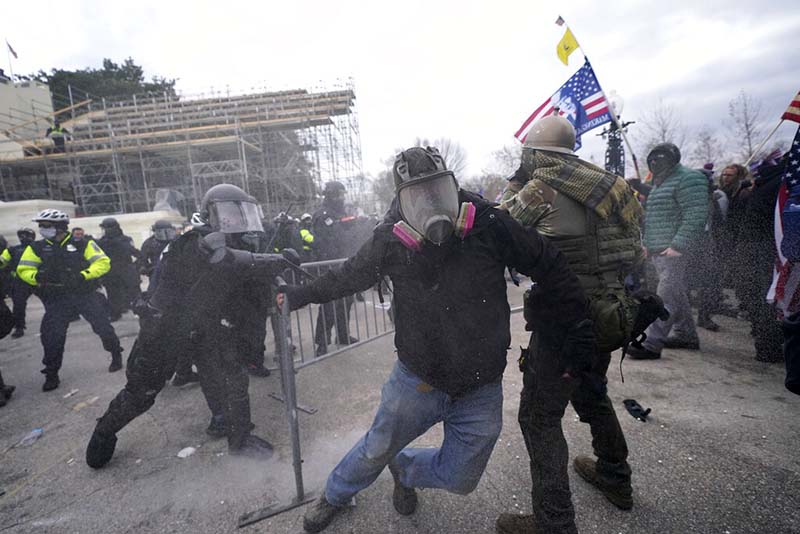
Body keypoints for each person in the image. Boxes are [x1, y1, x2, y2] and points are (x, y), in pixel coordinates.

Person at [278, 146, 591, 533]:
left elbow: (550, 262)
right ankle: (335, 495)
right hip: (417, 380)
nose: (431, 204)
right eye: (417, 195)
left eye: (437, 190)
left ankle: (405, 468)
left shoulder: (491, 225)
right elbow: (344, 279)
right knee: (376, 447)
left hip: (480, 387)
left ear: (454, 186)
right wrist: (295, 296)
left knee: (461, 478)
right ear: (400, 201)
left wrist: (575, 324)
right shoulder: (389, 240)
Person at [495, 116, 644, 534]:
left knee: (538, 417)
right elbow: (637, 252)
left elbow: (501, 232)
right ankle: (615, 476)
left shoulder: (541, 187)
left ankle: (553, 523)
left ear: (536, 154)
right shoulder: (613, 185)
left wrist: (512, 186)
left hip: (565, 317)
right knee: (591, 390)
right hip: (613, 312)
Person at [85, 184, 288, 468]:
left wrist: (279, 265)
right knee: (141, 394)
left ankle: (238, 439)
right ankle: (104, 432)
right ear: (210, 213)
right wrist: (269, 261)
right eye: (231, 212)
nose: (238, 220)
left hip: (203, 325)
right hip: (166, 329)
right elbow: (225, 262)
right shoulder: (196, 241)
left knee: (232, 378)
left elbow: (240, 281)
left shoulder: (232, 242)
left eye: (243, 213)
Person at [16, 209, 124, 391]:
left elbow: (102, 262)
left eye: (46, 225)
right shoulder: (36, 248)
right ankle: (51, 373)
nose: (42, 229)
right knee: (52, 336)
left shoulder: (82, 243)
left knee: (103, 327)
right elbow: (23, 269)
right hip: (57, 298)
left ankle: (115, 353)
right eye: (41, 226)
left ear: (59, 227)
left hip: (84, 294)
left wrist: (83, 275)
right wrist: (38, 277)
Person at [627, 143, 710, 359]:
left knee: (665, 297)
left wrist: (678, 245)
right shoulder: (659, 183)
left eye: (660, 158)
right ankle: (686, 335)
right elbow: (654, 218)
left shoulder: (689, 178)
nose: (655, 162)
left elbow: (696, 213)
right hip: (659, 250)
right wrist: (647, 243)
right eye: (652, 158)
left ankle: (652, 343)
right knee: (677, 293)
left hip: (674, 251)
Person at [312, 181, 359, 356]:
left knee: (346, 301)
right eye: (338, 195)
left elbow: (349, 237)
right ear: (330, 195)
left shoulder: (341, 213)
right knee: (329, 304)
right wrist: (343, 227)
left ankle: (343, 335)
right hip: (329, 265)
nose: (341, 198)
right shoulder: (322, 215)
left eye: (342, 194)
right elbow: (326, 241)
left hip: (344, 263)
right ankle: (322, 342)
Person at [97, 218, 142, 321]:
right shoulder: (102, 242)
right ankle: (115, 313)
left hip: (125, 268)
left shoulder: (125, 239)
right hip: (111, 271)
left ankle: (139, 311)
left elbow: (135, 252)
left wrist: (137, 265)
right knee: (113, 294)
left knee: (134, 292)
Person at [0, 228, 37, 338]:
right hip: (21, 282)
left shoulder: (39, 247)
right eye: (21, 235)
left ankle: (70, 314)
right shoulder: (13, 250)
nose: (23, 238)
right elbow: (2, 260)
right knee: (19, 305)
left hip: (39, 280)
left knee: (54, 300)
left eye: (26, 235)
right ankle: (19, 327)